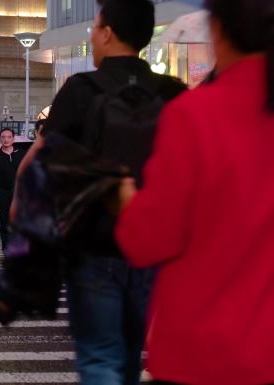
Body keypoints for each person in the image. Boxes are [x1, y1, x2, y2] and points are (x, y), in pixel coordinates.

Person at [17, 0, 186, 384]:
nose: (91, 36)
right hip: (153, 249)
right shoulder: (172, 92)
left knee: (99, 356)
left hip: (92, 248)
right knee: (129, 353)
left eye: (94, 27)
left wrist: (21, 212)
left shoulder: (80, 90)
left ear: (108, 33)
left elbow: (38, 160)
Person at [116, 1, 274, 384]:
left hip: (203, 351)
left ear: (218, 31)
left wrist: (124, 198)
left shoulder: (195, 115)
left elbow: (148, 240)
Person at [0, 128, 25, 252]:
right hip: (2, 191)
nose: (6, 139)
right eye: (3, 137)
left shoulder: (21, 154)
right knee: (4, 220)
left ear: (13, 139)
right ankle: (6, 248)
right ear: (0, 138)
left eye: (9, 137)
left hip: (19, 192)